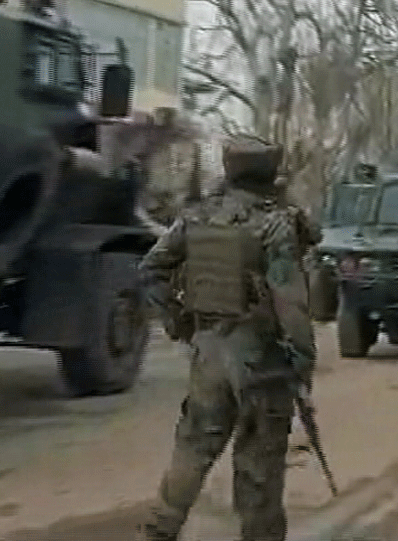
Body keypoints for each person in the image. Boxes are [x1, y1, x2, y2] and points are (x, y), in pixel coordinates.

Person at [135, 135, 317, 541]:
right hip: (260, 359)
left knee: (193, 446)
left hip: (209, 351)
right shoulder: (275, 224)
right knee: (259, 461)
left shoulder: (197, 217)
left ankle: (159, 531)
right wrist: (303, 362)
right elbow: (290, 301)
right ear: (270, 172)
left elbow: (151, 270)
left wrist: (179, 322)